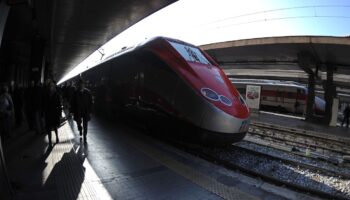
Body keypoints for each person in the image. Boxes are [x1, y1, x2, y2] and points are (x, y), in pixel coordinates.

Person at [71, 79, 92, 143]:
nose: (81, 86)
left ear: (84, 85)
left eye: (82, 84)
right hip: (78, 111)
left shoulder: (88, 92)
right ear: (78, 85)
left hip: (85, 111)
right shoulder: (75, 92)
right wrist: (72, 111)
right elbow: (73, 102)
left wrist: (90, 111)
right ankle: (80, 129)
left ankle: (85, 135)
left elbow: (90, 102)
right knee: (78, 122)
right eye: (80, 84)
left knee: (85, 124)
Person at [43, 81, 62, 145]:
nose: (51, 87)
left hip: (55, 113)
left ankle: (57, 137)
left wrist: (60, 114)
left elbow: (59, 105)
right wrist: (43, 113)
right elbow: (43, 104)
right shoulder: (45, 95)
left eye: (52, 86)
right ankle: (50, 141)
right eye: (50, 86)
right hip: (48, 113)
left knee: (55, 127)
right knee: (48, 128)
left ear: (54, 87)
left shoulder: (57, 95)